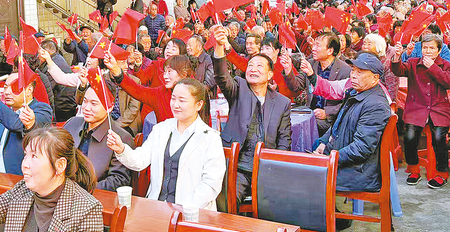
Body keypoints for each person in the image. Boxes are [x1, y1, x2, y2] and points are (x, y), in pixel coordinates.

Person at [107, 78, 225, 210]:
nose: (175, 105)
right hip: (157, 207)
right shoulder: (161, 129)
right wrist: (121, 149)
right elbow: (140, 161)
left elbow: (211, 184)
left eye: (182, 100)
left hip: (193, 212)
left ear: (199, 105)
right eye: (173, 98)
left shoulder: (210, 138)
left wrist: (185, 209)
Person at [211, 27, 290, 207]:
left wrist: (276, 168)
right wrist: (219, 46)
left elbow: (284, 141)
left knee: (275, 206)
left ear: (270, 75)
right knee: (225, 203)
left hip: (265, 166)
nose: (253, 69)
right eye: (250, 66)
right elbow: (222, 76)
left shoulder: (282, 103)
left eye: (259, 66)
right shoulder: (239, 88)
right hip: (237, 166)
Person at [314, 53, 392, 193]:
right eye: (353, 70)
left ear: (375, 78)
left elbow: (362, 148)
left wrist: (331, 158)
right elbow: (337, 124)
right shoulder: (356, 92)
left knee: (305, 177)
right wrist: (324, 142)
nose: (353, 76)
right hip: (344, 161)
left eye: (360, 72)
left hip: (356, 172)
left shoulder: (376, 105)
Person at [391, 34, 450, 189]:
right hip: (417, 108)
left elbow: (448, 82)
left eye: (432, 48)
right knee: (409, 137)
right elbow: (398, 70)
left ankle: (442, 173)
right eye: (425, 48)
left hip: (439, 109)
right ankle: (414, 169)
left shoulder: (446, 65)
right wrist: (397, 56)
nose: (427, 51)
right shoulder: (413, 63)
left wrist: (433, 67)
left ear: (439, 50)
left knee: (439, 138)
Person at [65, 79, 133, 191]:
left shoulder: (121, 137)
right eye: (85, 101)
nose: (86, 108)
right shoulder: (72, 124)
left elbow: (119, 179)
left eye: (94, 103)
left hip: (93, 195)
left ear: (109, 107)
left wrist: (83, 190)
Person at [0, 73, 53, 176]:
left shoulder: (42, 110)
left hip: (19, 178)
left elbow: (18, 125)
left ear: (29, 90)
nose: (7, 92)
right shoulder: (2, 112)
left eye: (14, 87)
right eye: (5, 87)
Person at [304, 33, 352, 134]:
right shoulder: (311, 63)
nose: (313, 49)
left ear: (330, 50)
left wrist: (327, 112)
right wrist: (288, 69)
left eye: (318, 45)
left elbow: (348, 102)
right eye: (314, 45)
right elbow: (296, 86)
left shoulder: (345, 70)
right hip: (310, 112)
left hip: (330, 120)